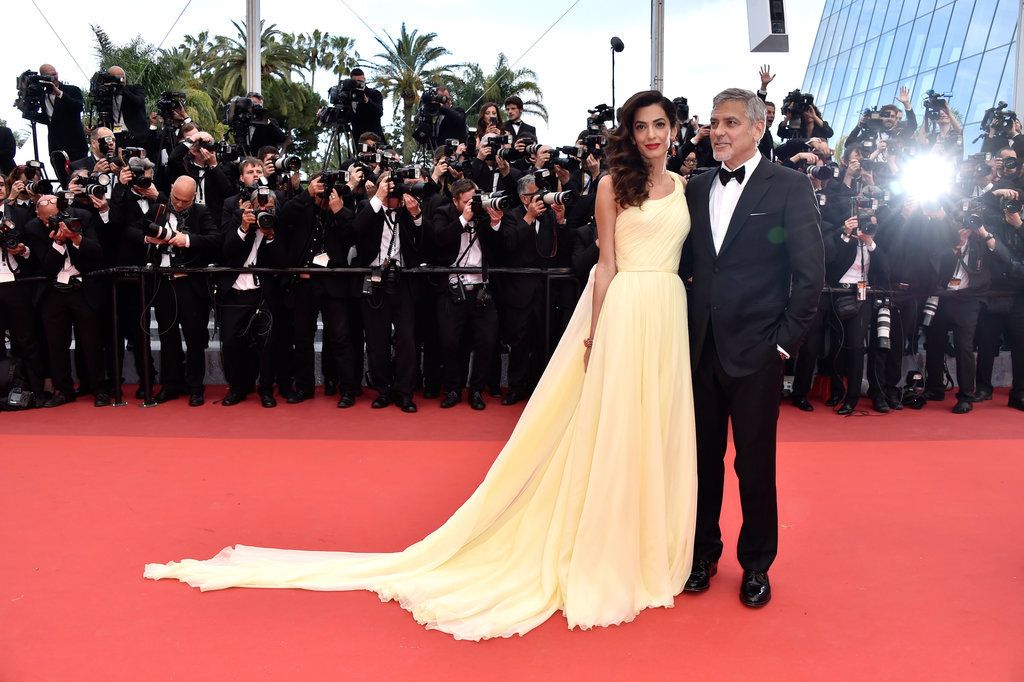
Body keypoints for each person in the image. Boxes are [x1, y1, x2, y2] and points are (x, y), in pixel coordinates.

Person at [145, 90, 698, 642]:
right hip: (625, 314)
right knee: (615, 430)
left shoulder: (683, 187)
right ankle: (609, 545)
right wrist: (597, 331)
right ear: (629, 132)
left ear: (674, 127)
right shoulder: (611, 185)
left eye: (660, 124)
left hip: (667, 315)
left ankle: (649, 541)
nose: (651, 134)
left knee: (656, 429)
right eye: (641, 125)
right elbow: (604, 265)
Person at [680, 88, 824, 607]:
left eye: (731, 123)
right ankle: (702, 552)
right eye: (715, 121)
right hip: (699, 350)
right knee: (701, 460)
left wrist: (782, 345)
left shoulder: (787, 186)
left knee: (755, 464)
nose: (718, 131)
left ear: (759, 129)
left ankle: (757, 563)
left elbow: (810, 278)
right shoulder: (695, 188)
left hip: (759, 353)